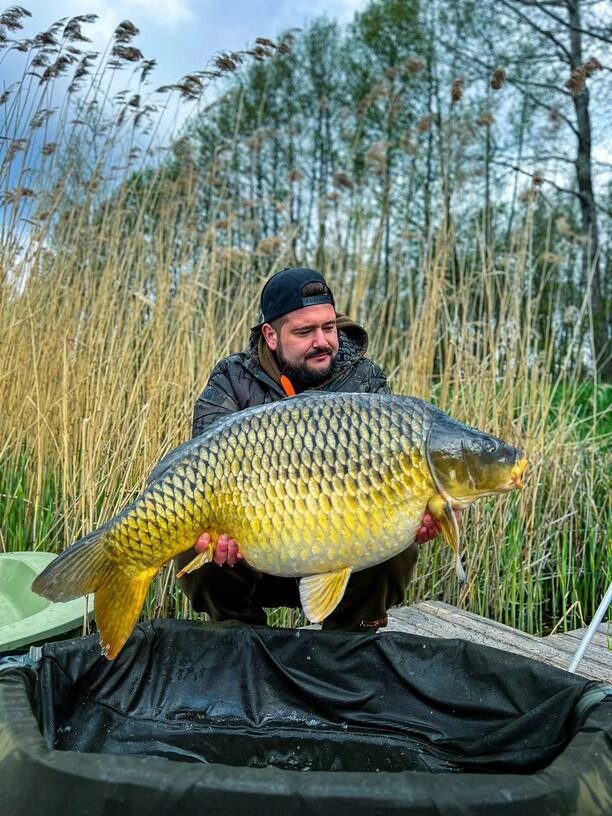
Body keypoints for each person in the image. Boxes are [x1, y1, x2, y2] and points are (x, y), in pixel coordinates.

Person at [174, 266, 439, 631]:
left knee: (399, 543)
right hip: (259, 549)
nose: (323, 341)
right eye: (304, 332)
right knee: (193, 540)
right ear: (270, 335)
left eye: (328, 327)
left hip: (342, 550)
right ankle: (239, 637)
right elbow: (200, 471)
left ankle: (348, 642)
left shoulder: (366, 381)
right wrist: (219, 533)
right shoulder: (232, 382)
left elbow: (392, 475)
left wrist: (413, 515)